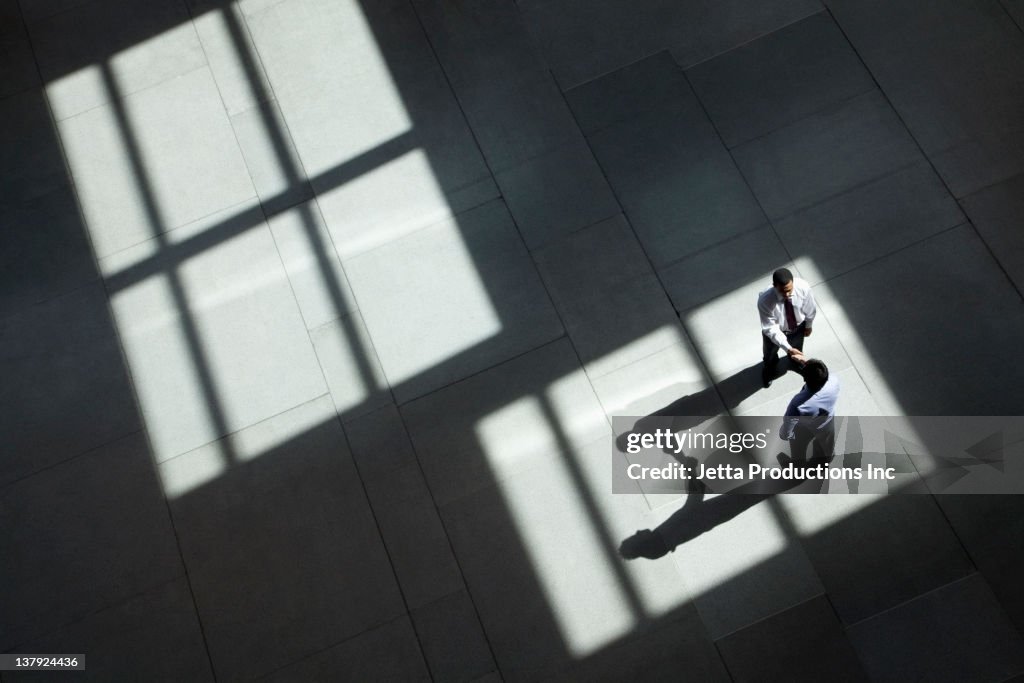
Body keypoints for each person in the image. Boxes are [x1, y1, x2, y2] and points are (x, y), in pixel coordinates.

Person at [757, 267, 817, 388]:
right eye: (783, 291)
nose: (787, 294)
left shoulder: (803, 287)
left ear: (793, 282)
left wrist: (809, 325)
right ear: (774, 286)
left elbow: (811, 308)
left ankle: (796, 363)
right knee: (769, 354)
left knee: (798, 348)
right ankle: (769, 370)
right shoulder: (765, 300)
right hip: (774, 333)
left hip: (797, 328)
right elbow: (770, 327)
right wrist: (787, 348)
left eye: (789, 290)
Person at [778, 359, 839, 468]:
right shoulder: (834, 381)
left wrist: (784, 434)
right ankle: (826, 458)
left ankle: (798, 469)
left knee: (798, 450)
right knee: (827, 444)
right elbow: (819, 373)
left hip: (805, 429)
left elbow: (788, 425)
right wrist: (805, 362)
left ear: (804, 378)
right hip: (827, 422)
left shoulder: (798, 405)